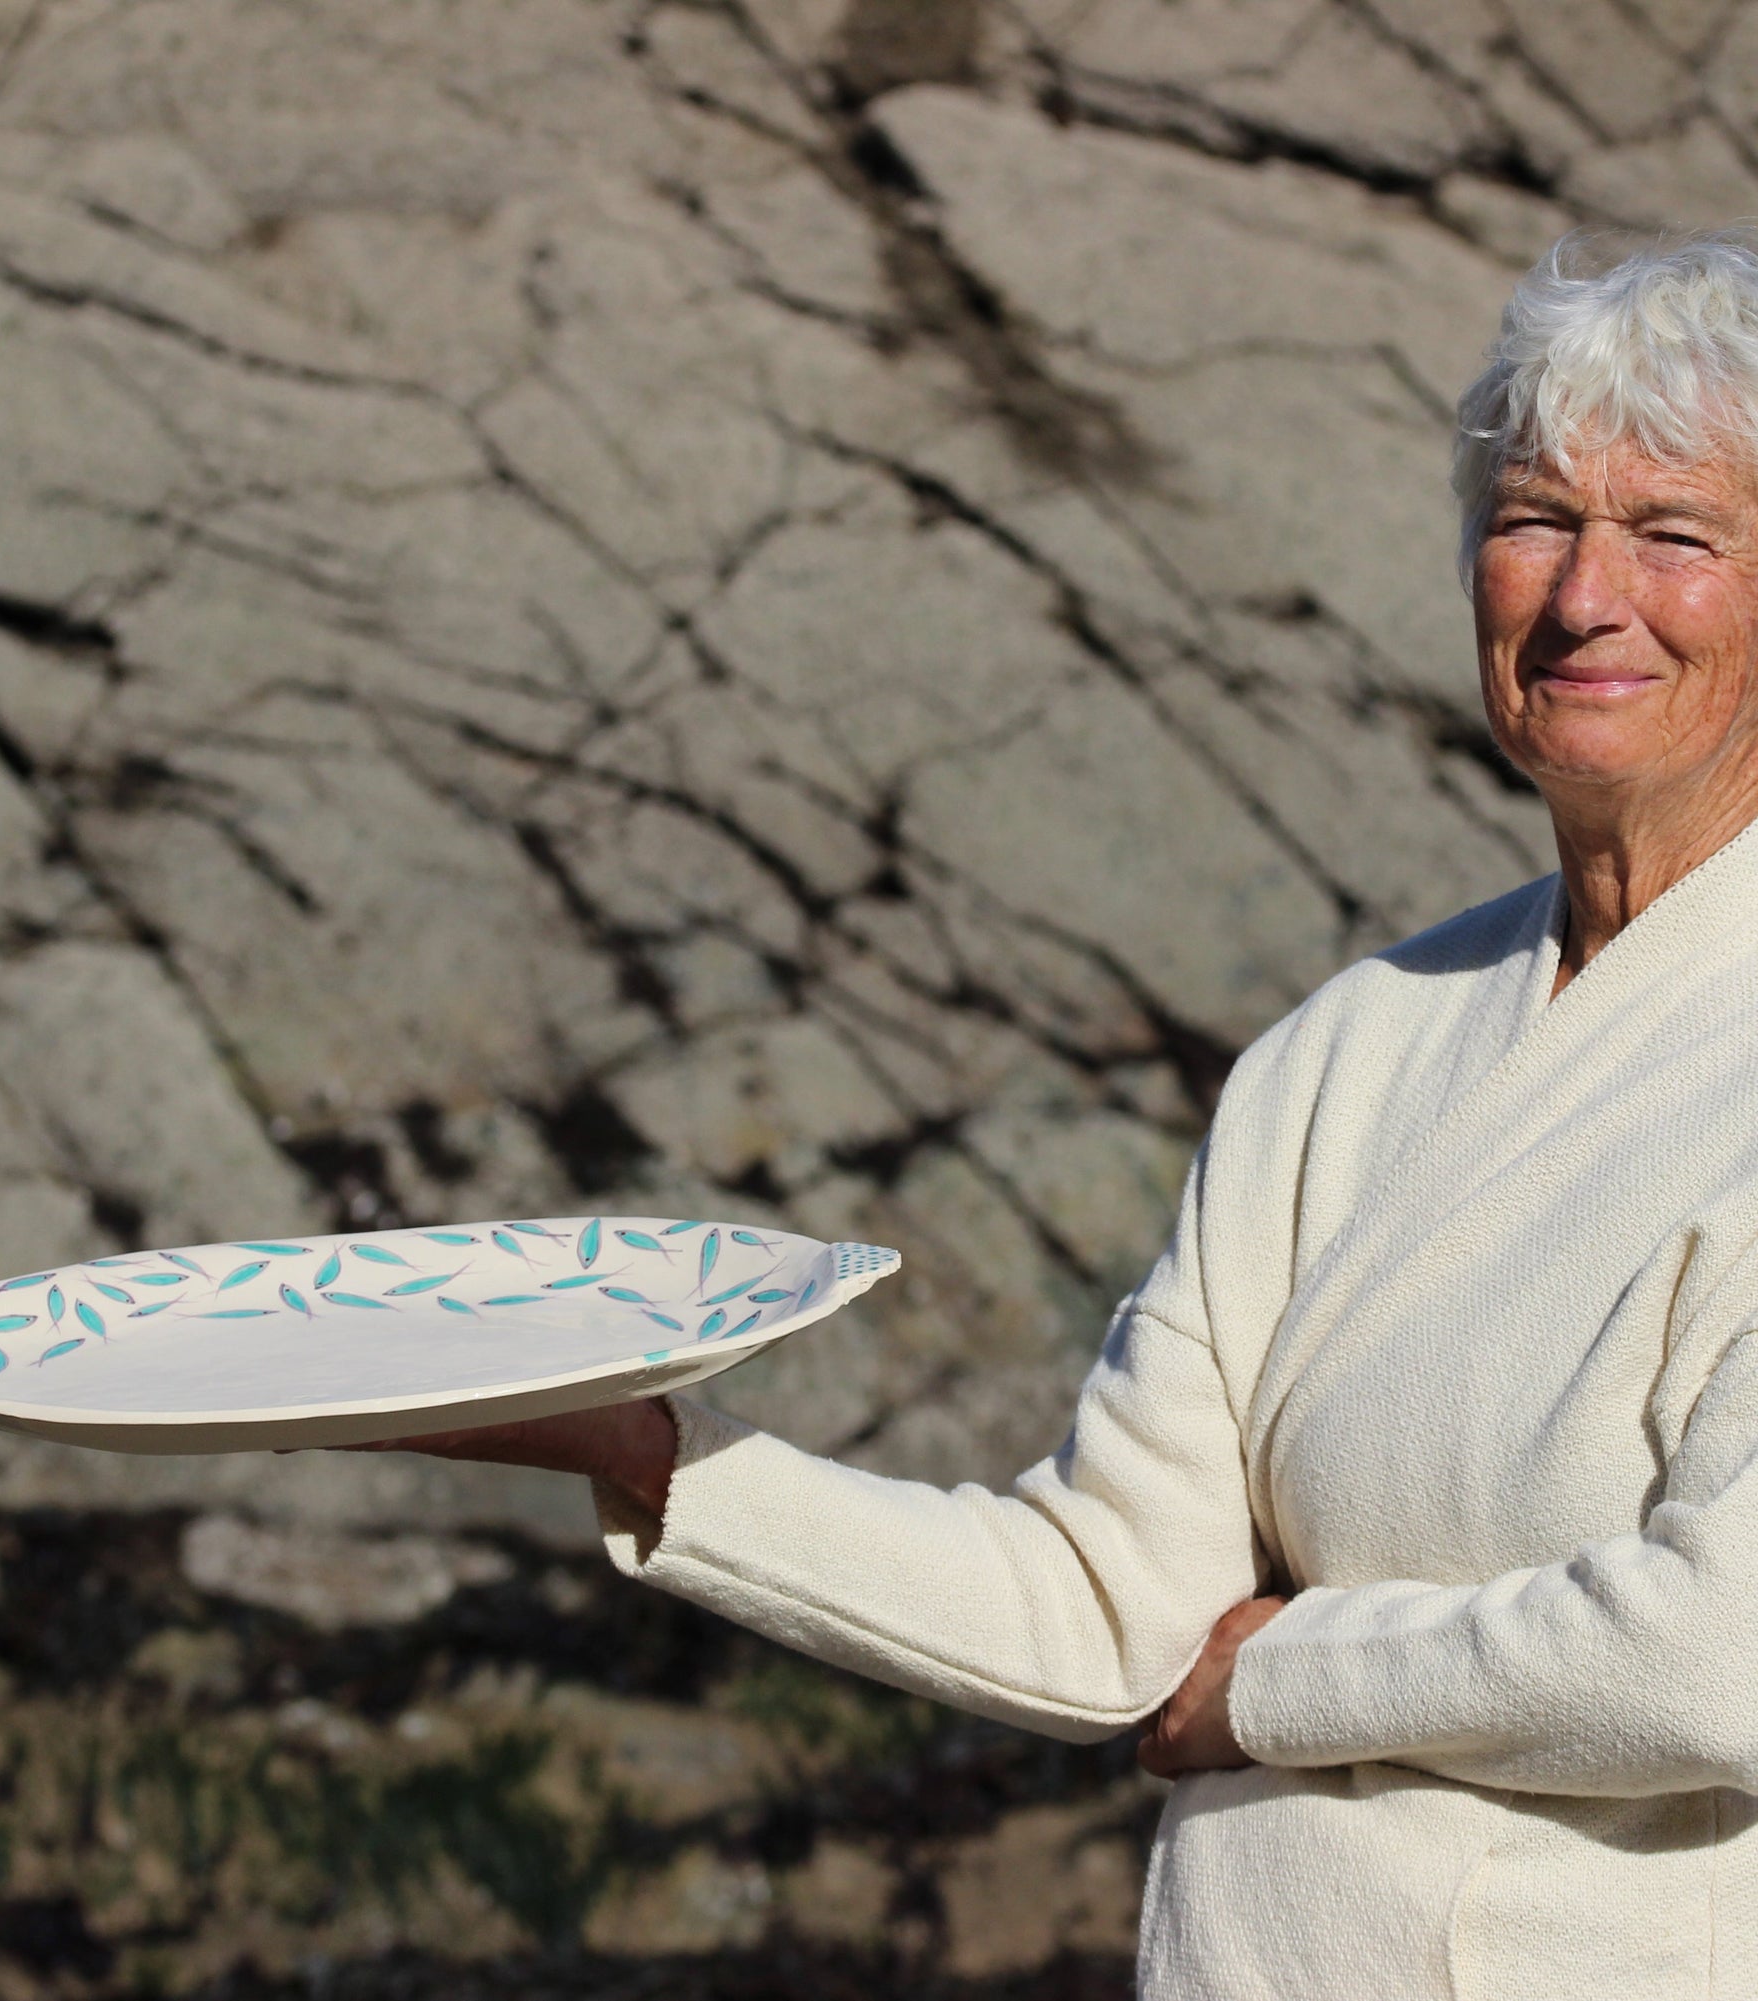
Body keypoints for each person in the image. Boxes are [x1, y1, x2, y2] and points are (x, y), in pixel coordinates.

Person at [363, 232, 1758, 1997]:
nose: (1582, 597)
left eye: (1677, 534)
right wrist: (649, 1454)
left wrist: (1279, 1678)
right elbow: (1110, 1605)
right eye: (1537, 516)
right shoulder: (1342, 1056)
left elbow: (1726, 1651)